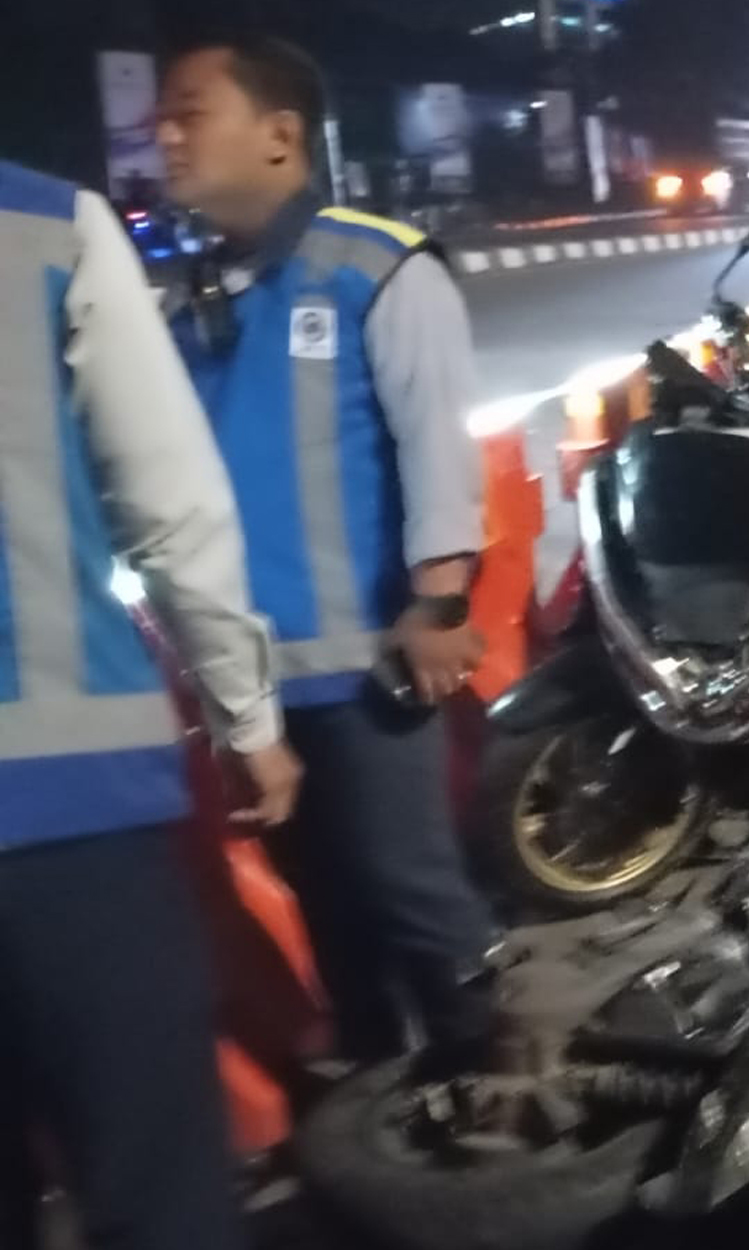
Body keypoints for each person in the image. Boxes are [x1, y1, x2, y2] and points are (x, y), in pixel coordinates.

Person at [156, 36, 501, 1063]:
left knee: (408, 882)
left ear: (279, 134)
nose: (164, 136)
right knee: (327, 895)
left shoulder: (377, 265)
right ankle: (382, 1088)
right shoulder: (187, 298)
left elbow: (435, 439)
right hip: (254, 679)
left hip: (369, 663)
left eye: (189, 112)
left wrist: (439, 599)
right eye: (160, 119)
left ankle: (499, 1073)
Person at [1, 158, 301, 1250]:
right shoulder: (42, 226)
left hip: (64, 793)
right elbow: (172, 506)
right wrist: (247, 719)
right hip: (62, 801)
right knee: (155, 1185)